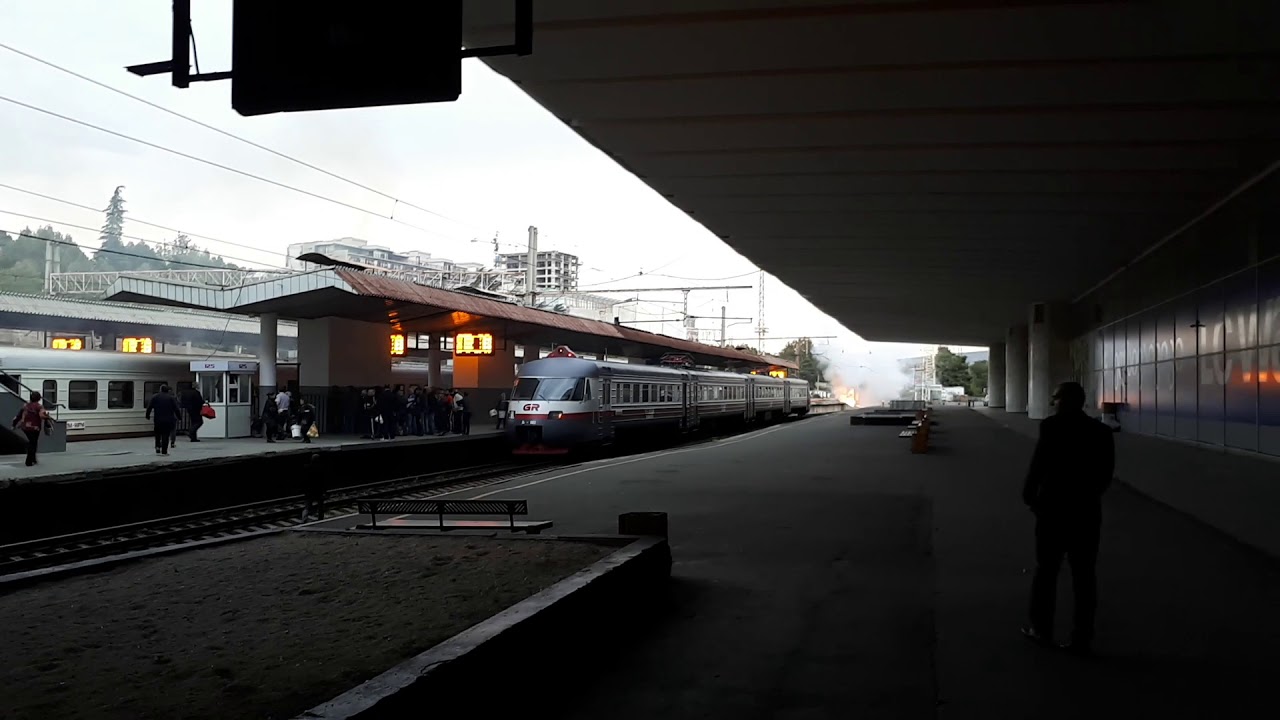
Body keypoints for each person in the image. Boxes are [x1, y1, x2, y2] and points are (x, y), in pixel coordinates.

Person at [1021, 381, 1115, 655]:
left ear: (1064, 401)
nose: (1053, 403)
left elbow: (1039, 464)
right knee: (1084, 575)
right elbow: (1105, 474)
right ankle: (1082, 637)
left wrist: (1030, 496)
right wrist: (1088, 497)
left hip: (1053, 509)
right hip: (1086, 512)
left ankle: (1041, 629)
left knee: (1046, 571)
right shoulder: (1101, 431)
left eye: (1055, 399)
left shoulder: (1052, 427)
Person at [11, 390, 51, 467]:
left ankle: (33, 459)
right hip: (35, 428)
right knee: (33, 443)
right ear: (39, 398)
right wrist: (47, 417)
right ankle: (29, 461)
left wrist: (14, 425)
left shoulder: (25, 405)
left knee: (32, 442)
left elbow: (17, 416)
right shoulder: (39, 406)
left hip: (25, 427)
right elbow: (42, 416)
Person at [145, 384, 179, 456]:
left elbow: (149, 407)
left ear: (160, 390)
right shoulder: (171, 398)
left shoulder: (155, 397)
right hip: (168, 419)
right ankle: (164, 451)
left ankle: (157, 446)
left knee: (157, 434)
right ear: (167, 390)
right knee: (165, 435)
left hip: (157, 419)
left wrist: (147, 415)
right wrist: (179, 417)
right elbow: (176, 409)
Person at [299, 453, 328, 522]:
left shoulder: (306, 468)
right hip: (318, 490)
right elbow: (323, 481)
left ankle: (304, 519)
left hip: (308, 491)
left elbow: (303, 480)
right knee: (320, 506)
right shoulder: (321, 469)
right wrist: (325, 491)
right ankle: (321, 518)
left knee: (307, 506)